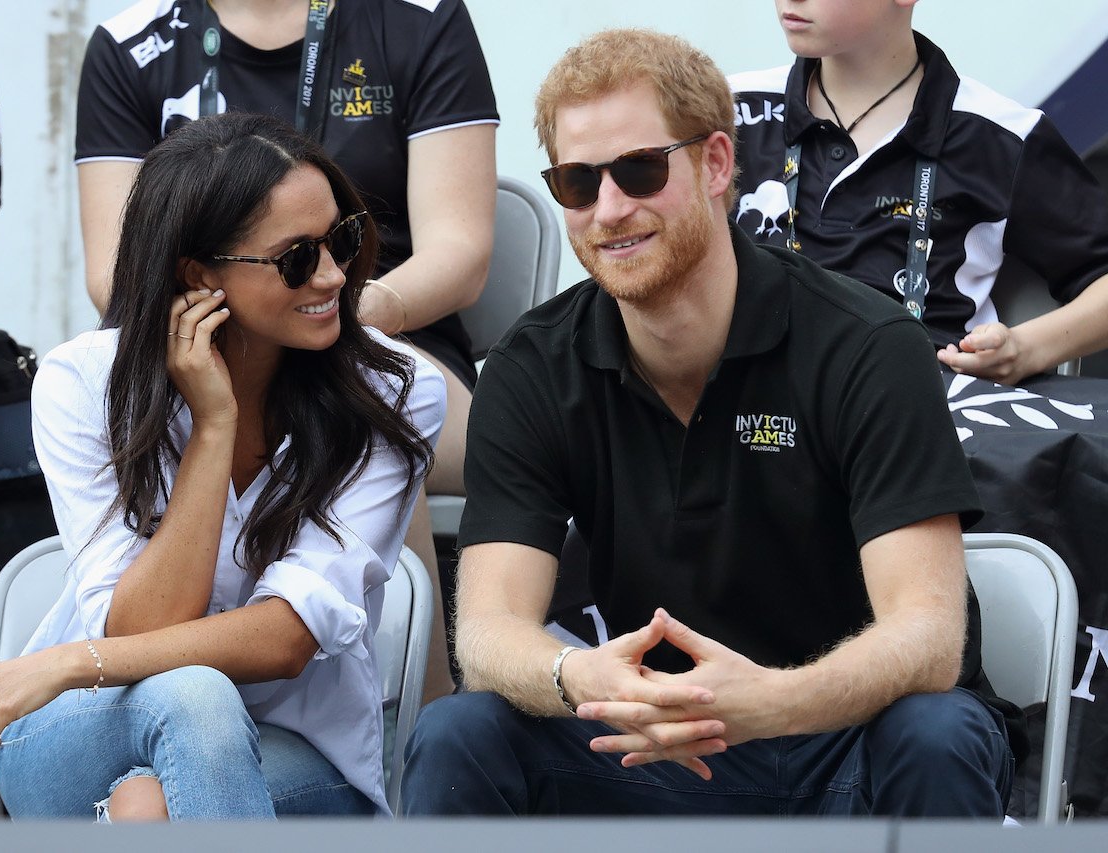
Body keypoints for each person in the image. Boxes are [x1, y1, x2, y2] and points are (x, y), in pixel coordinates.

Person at [399, 28, 1014, 819]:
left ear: (717, 164)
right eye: (578, 183)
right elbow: (488, 633)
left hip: (844, 742)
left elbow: (929, 638)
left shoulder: (868, 345)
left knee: (937, 730)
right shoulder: (531, 365)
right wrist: (577, 677)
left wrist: (771, 701)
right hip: (653, 750)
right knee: (462, 730)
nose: (610, 209)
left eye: (640, 170)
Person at [0, 112, 444, 820]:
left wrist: (70, 661)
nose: (333, 274)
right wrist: (214, 426)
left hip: (296, 748)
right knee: (194, 695)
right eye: (296, 257)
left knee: (149, 806)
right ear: (199, 275)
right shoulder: (83, 384)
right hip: (88, 730)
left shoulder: (395, 392)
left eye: (343, 238)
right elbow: (144, 625)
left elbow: (289, 636)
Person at [75, 0, 498, 698]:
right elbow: (116, 272)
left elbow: (461, 250)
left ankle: (421, 721)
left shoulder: (420, 17)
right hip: (206, 344)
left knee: (375, 410)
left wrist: (333, 310)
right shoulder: (129, 44)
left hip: (383, 331)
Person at [729, 0, 1108, 384]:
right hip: (749, 412)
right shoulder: (728, 112)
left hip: (924, 417)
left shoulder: (1001, 135)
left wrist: (1028, 349)